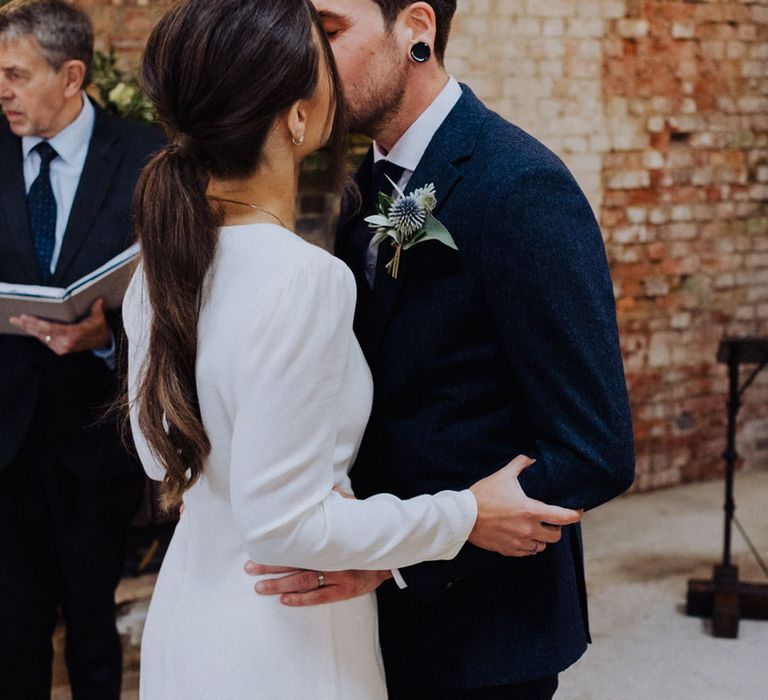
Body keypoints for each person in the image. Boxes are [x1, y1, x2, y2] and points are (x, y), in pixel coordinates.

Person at [123, 1, 582, 698]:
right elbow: (284, 520)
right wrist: (464, 515)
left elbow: (166, 458)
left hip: (196, 616)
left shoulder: (159, 265)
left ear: (418, 29)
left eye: (332, 30)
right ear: (298, 118)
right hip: (288, 633)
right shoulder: (304, 271)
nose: (328, 67)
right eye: (319, 46)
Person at [247, 1, 636, 698]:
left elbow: (594, 452)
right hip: (366, 626)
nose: (305, 60)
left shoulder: (522, 187)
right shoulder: (361, 185)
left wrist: (404, 561)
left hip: (483, 637)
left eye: (330, 32)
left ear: (418, 29)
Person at [0, 1, 163, 698]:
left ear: (71, 76)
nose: (1, 90)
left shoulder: (145, 158)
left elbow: (175, 293)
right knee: (11, 636)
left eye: (15, 74)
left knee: (97, 635)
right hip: (4, 443)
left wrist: (108, 336)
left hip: (94, 439)